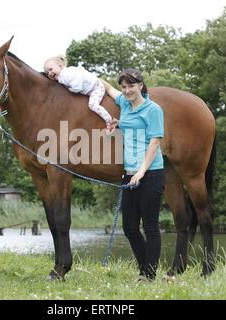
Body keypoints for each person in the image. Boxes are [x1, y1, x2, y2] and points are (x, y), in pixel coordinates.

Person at [102, 69, 165, 281]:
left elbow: (155, 142)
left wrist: (142, 171)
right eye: (124, 87)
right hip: (129, 175)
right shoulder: (124, 104)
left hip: (151, 173)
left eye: (131, 86)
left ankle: (148, 274)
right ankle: (145, 268)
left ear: (140, 85)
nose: (127, 90)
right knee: (129, 227)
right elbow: (108, 89)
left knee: (150, 226)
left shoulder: (153, 109)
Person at [44, 55, 115, 134]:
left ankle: (110, 121)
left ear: (60, 66)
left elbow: (77, 87)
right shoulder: (61, 76)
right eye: (47, 72)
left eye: (51, 69)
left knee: (93, 105)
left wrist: (70, 89)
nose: (50, 73)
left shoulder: (67, 74)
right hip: (90, 88)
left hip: (96, 87)